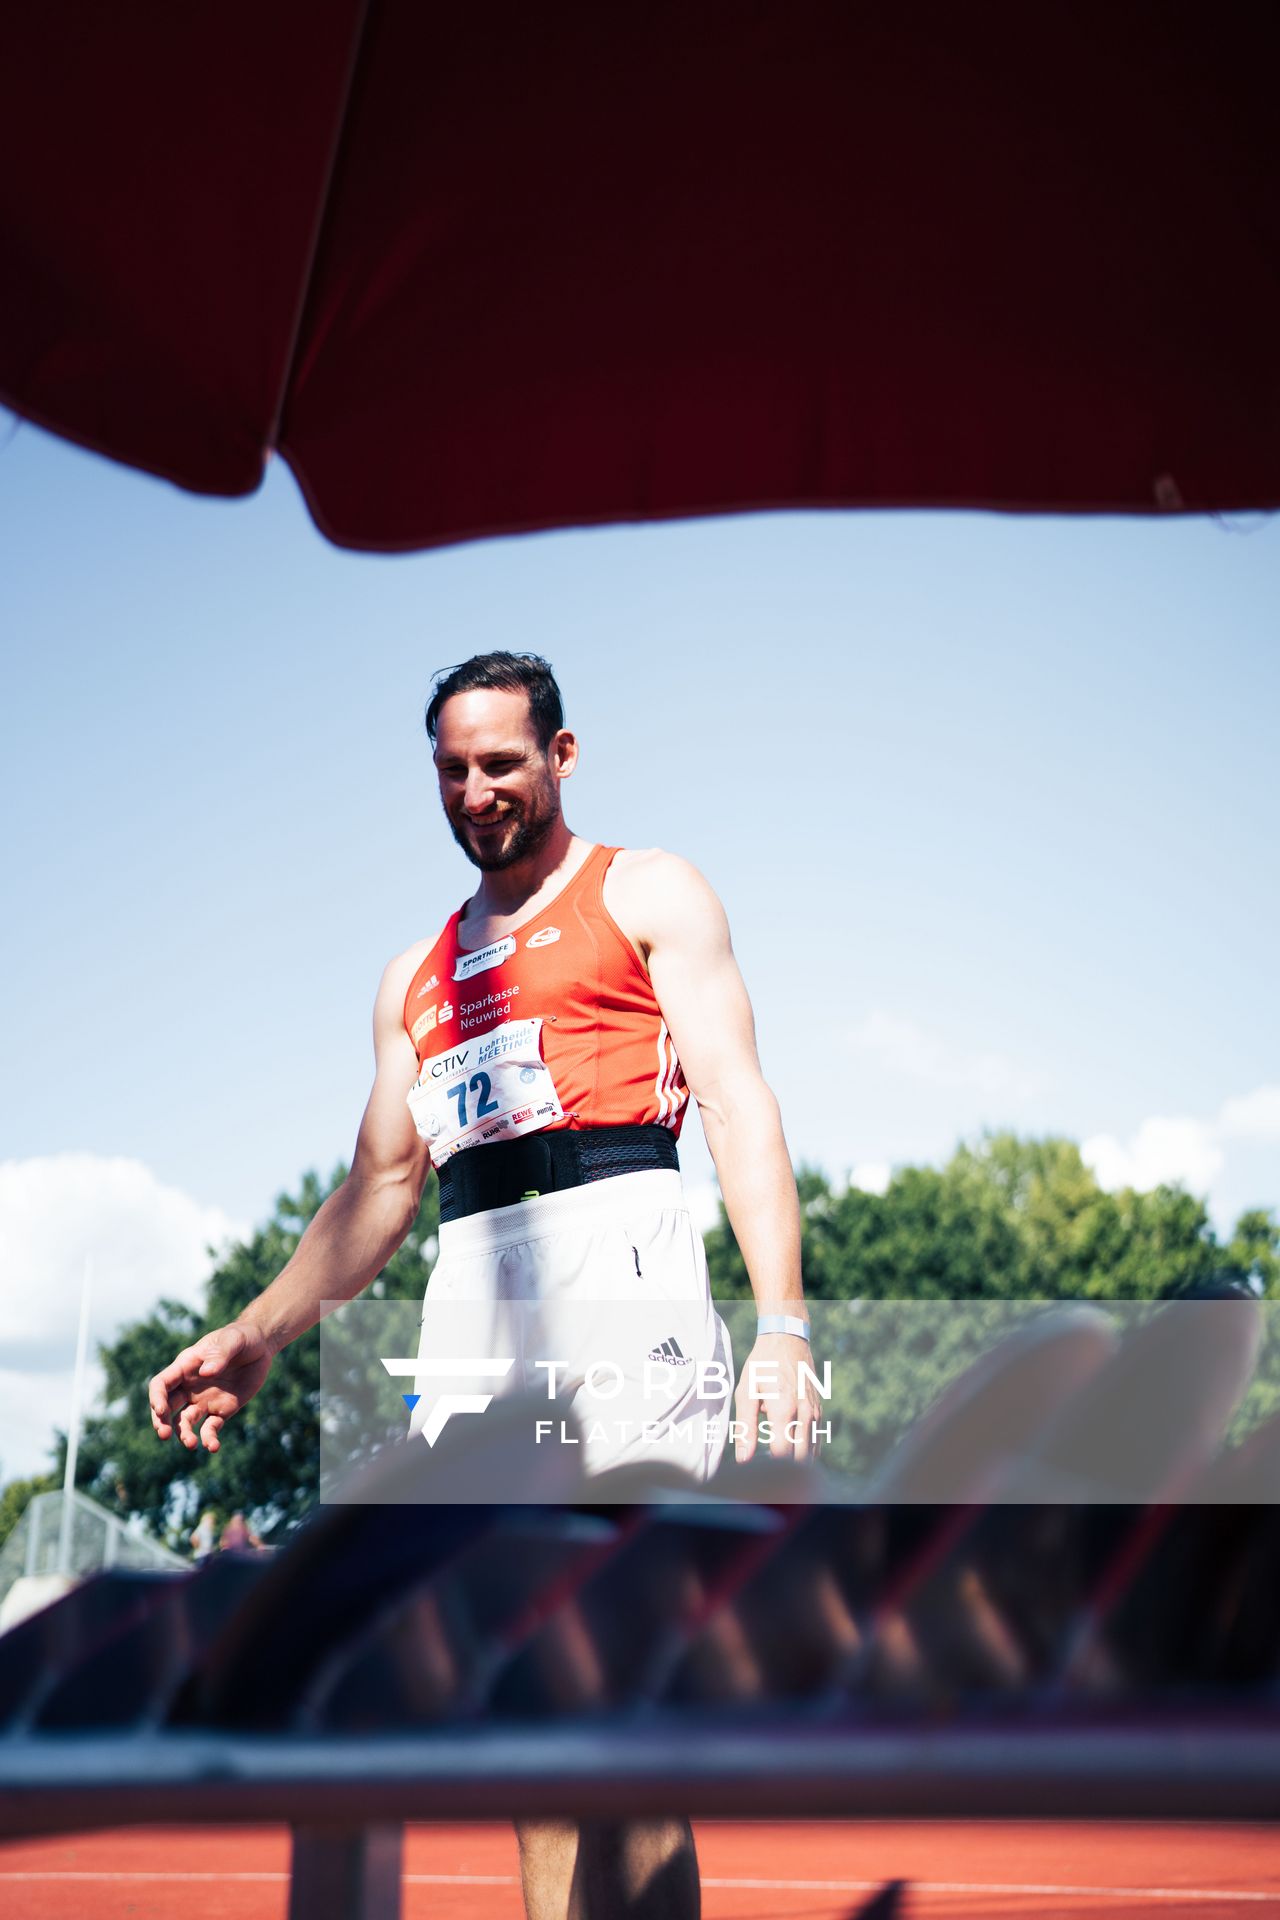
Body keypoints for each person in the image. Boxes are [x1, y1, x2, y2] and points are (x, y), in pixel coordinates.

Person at [149, 650, 815, 1919]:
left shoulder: (647, 892)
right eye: (451, 769)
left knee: (618, 1683)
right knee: (524, 1695)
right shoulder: (415, 977)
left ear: (561, 757)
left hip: (621, 1271)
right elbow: (378, 1192)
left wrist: (780, 1323)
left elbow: (736, 1106)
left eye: (499, 763)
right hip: (476, 1299)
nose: (474, 791)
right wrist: (261, 1332)